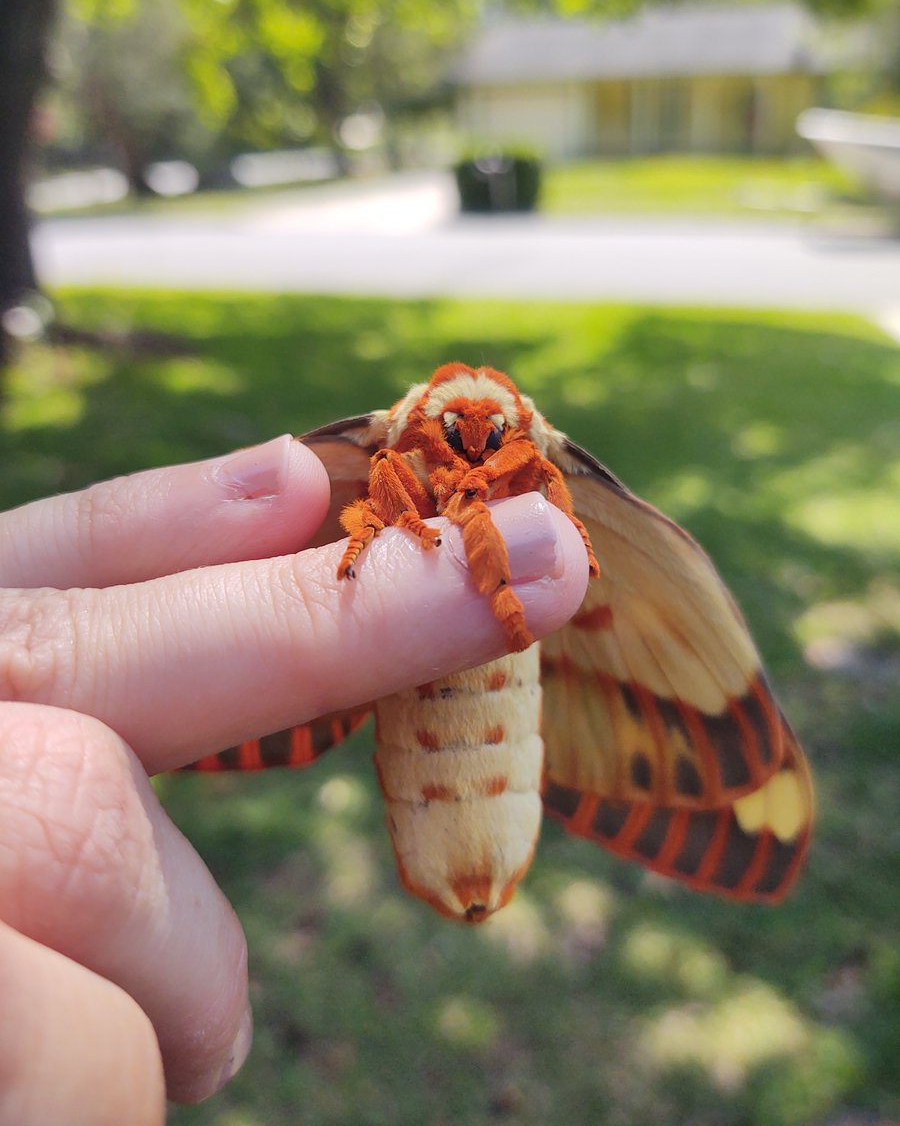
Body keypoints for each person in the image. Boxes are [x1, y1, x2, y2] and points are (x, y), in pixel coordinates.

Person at [0, 435, 588, 1125]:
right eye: (449, 438)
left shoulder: (528, 464)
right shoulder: (403, 458)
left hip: (500, 701)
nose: (470, 449)